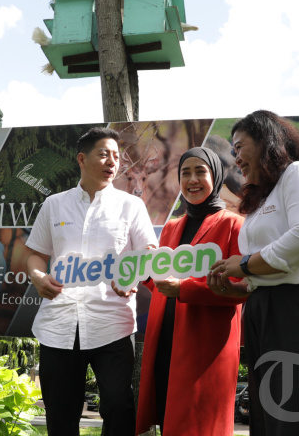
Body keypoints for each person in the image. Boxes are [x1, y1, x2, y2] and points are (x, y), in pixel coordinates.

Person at [208, 110, 299, 435]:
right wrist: (240, 287)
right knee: (273, 424)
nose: (236, 158)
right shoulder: (261, 198)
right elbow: (271, 267)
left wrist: (244, 264)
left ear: (266, 140)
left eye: (240, 147)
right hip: (267, 315)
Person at [26, 127, 158, 436]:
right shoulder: (54, 205)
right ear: (82, 159)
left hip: (112, 323)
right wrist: (38, 276)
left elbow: (149, 251)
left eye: (116, 156)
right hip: (58, 325)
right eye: (103, 154)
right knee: (60, 413)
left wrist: (133, 275)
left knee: (118, 406)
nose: (112, 162)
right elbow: (35, 255)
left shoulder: (131, 206)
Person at [136, 147, 245, 436]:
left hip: (206, 347)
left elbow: (242, 286)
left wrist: (185, 289)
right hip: (166, 343)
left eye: (200, 172)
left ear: (216, 177)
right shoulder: (171, 228)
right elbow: (164, 282)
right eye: (185, 173)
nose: (192, 180)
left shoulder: (234, 224)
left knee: (201, 424)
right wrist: (146, 274)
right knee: (169, 420)